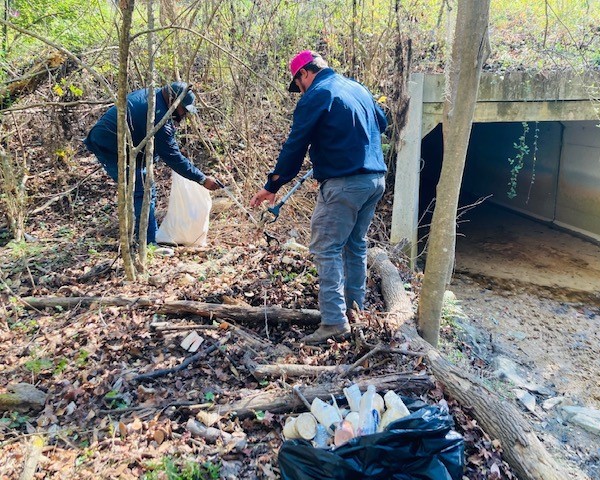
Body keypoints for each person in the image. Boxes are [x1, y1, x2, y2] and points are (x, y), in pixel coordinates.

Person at [250, 50, 388, 345]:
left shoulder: (316, 94)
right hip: (375, 180)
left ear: (304, 74)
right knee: (354, 245)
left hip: (346, 182)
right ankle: (355, 311)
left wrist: (274, 184)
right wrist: (336, 150)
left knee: (325, 247)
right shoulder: (357, 88)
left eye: (297, 83)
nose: (299, 89)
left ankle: (334, 323)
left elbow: (296, 143)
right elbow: (382, 122)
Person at [83, 81, 221, 247]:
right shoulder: (158, 116)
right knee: (142, 191)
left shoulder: (156, 97)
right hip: (110, 146)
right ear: (173, 101)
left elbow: (157, 141)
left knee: (146, 188)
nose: (184, 115)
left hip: (129, 146)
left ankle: (147, 236)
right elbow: (172, 157)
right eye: (183, 109)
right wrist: (201, 179)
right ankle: (147, 245)